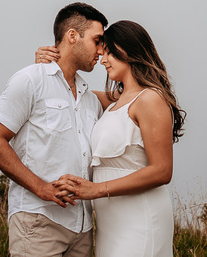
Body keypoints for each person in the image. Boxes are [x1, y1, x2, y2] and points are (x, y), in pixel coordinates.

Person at [35, 20, 185, 257]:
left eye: (110, 53)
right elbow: (69, 90)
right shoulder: (117, 100)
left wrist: (95, 190)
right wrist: (52, 61)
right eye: (103, 53)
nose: (103, 60)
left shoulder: (150, 99)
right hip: (111, 225)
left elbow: (163, 171)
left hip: (140, 220)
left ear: (130, 50)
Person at [0, 2, 109, 257]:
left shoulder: (89, 98)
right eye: (97, 41)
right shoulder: (30, 80)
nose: (101, 51)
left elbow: (129, 95)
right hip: (38, 222)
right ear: (72, 36)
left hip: (83, 229)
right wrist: (42, 188)